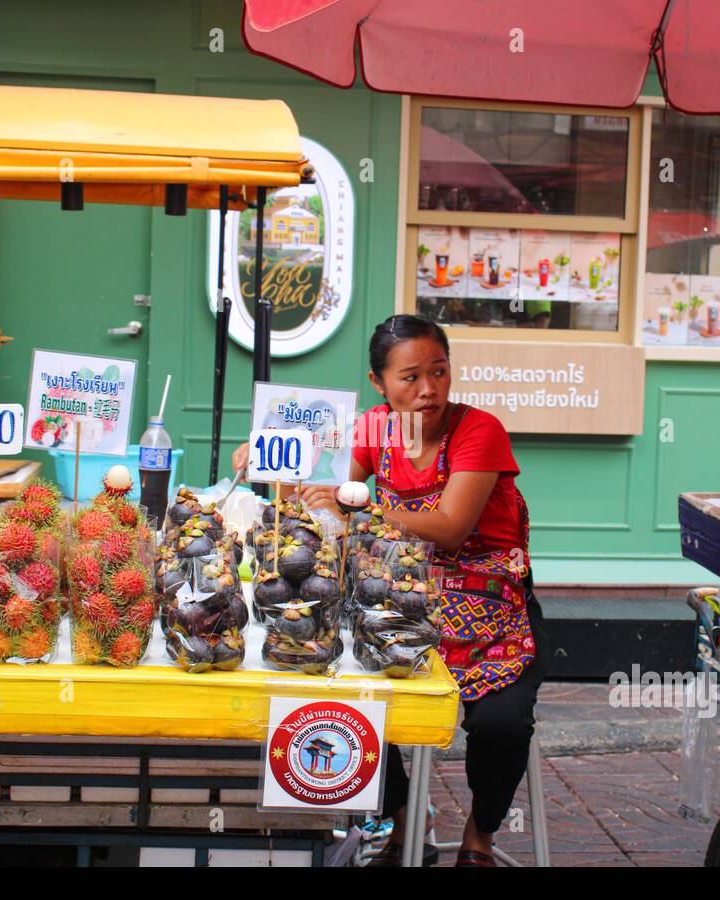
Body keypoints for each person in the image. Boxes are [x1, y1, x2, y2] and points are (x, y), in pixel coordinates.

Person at [232, 315, 543, 867]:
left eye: (439, 372)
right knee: (355, 696)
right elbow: (323, 498)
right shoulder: (373, 429)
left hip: (491, 605)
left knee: (502, 724)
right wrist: (270, 467)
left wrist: (363, 508)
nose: (428, 389)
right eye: (410, 377)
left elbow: (451, 526)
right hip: (396, 598)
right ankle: (404, 819)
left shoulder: (479, 430)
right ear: (379, 383)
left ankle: (480, 835)